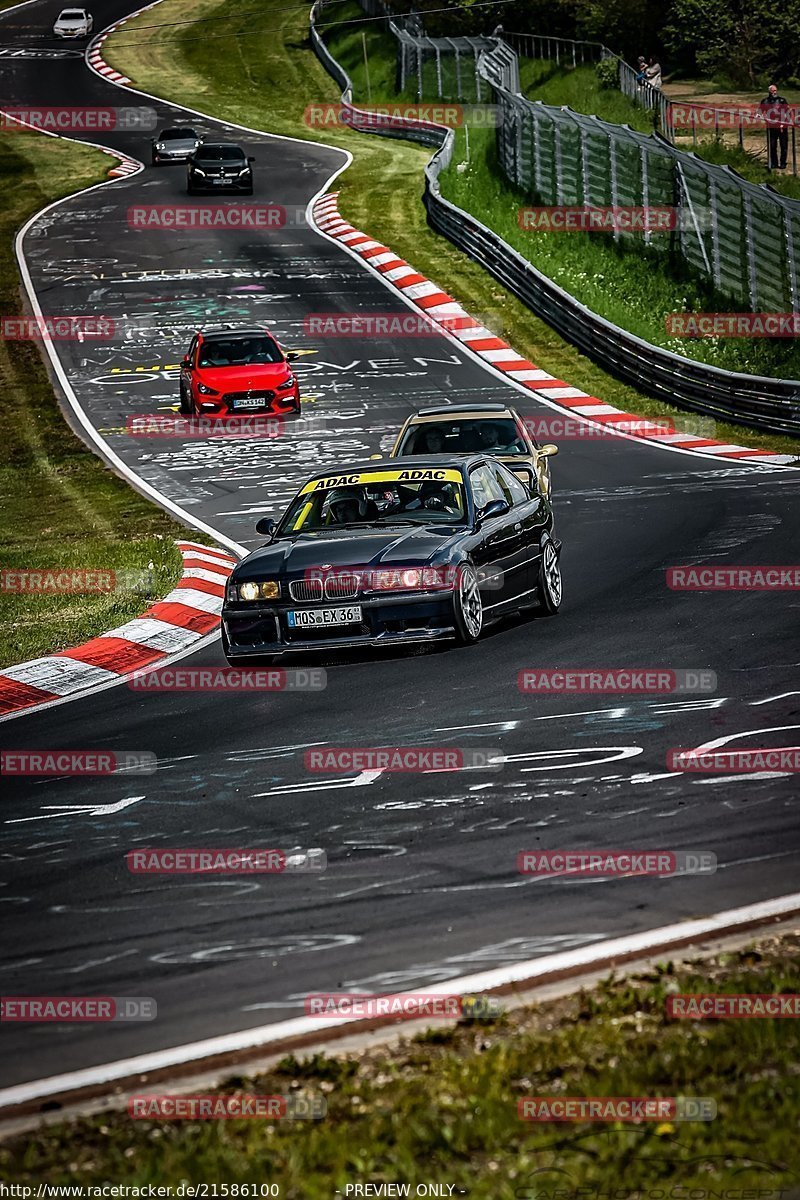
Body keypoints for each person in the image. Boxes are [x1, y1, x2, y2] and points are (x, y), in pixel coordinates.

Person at [760, 84, 790, 169]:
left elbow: (788, 112)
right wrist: (764, 118)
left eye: (775, 90)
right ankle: (774, 163)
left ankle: (783, 163)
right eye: (773, 91)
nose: (774, 92)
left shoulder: (782, 100)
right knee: (772, 146)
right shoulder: (765, 101)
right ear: (769, 91)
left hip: (782, 126)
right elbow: (760, 112)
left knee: (783, 145)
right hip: (771, 126)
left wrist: (784, 123)